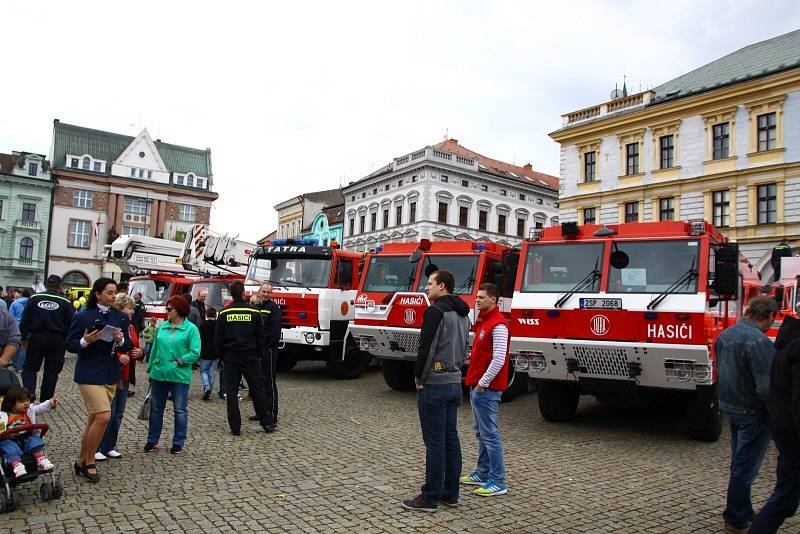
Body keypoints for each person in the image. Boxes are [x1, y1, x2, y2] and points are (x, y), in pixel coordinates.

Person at [402, 270, 471, 512]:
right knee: (451, 440)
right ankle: (450, 493)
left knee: (435, 443)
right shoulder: (464, 313)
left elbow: (426, 347)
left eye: (430, 283)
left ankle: (430, 497)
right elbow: (465, 349)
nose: (426, 287)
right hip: (454, 382)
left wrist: (419, 377)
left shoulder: (435, 311)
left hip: (434, 384)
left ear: (442, 286)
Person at [716, 296, 779, 533]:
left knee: (740, 463)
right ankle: (735, 519)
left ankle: (743, 508)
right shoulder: (759, 341)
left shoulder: (726, 335)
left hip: (730, 407)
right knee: (746, 468)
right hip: (753, 413)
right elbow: (766, 385)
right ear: (770, 316)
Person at [65, 277, 132, 483]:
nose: (113, 296)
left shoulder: (120, 317)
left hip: (110, 372)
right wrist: (86, 340)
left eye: (114, 293)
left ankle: (80, 460)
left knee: (94, 419)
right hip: (88, 371)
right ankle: (90, 461)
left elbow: (128, 343)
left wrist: (121, 341)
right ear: (98, 294)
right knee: (104, 416)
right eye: (109, 292)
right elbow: (70, 343)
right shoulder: (84, 315)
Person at [750, 313, 800, 532]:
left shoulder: (786, 343)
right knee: (784, 500)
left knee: (786, 499)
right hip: (792, 435)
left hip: (782, 428)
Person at [461, 283, 509, 497]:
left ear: (493, 300)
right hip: (478, 387)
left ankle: (498, 480)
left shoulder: (498, 325)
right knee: (481, 433)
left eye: (481, 297)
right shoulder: (485, 322)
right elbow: (483, 354)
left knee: (489, 434)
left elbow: (499, 358)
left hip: (485, 389)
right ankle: (483, 472)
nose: (477, 300)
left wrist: (483, 383)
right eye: (477, 296)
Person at [216, 281, 274, 435]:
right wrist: (259, 355)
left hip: (230, 358)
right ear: (244, 293)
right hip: (250, 357)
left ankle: (235, 427)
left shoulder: (223, 313)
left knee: (231, 392)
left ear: (231, 295)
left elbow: (218, 340)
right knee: (257, 389)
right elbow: (261, 338)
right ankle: (267, 423)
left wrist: (222, 357)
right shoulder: (254, 312)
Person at [144, 295, 200, 455]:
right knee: (156, 409)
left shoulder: (191, 329)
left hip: (179, 376)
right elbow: (155, 347)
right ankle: (152, 440)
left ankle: (178, 442)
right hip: (159, 374)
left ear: (180, 310)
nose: (166, 311)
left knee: (180, 410)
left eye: (169, 309)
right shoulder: (162, 327)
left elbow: (195, 352)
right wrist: (150, 367)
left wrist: (180, 361)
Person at [95, 294, 143, 461]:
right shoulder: (112, 324)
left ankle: (110, 445)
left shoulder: (131, 326)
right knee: (108, 412)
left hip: (126, 374)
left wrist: (139, 353)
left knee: (119, 413)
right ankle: (98, 446)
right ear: (120, 308)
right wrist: (118, 357)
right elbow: (101, 349)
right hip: (111, 374)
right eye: (129, 308)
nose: (132, 311)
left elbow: (134, 345)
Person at [19, 274, 75, 402]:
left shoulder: (35, 298)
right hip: (57, 339)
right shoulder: (66, 301)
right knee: (52, 370)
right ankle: (46, 399)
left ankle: (29, 393)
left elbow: (25, 319)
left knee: (30, 367)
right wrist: (66, 341)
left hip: (37, 337)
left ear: (47, 284)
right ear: (60, 286)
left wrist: (23, 337)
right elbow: (70, 324)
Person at [0, 386, 58, 477]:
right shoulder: (3, 415)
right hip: (9, 440)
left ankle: (41, 459)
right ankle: (17, 465)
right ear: (11, 403)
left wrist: (49, 403)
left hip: (26, 437)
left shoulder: (29, 410)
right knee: (9, 447)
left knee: (34, 440)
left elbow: (40, 407)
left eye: (27, 400)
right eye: (22, 402)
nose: (26, 403)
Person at [249, 283, 282, 424]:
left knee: (269, 381)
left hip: (268, 351)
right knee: (258, 383)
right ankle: (261, 411)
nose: (266, 294)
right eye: (264, 291)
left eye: (269, 292)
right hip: (256, 350)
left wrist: (268, 347)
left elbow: (275, 330)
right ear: (259, 292)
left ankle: (272, 413)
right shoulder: (255, 306)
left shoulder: (273, 308)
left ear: (272, 294)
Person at [199, 307, 219, 400]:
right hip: (216, 352)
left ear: (206, 314)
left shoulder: (202, 325)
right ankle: (209, 390)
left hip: (205, 351)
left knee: (204, 371)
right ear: (215, 315)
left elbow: (199, 340)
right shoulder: (219, 325)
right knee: (212, 372)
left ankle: (206, 387)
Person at [8, 289, 30, 371]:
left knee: (14, 345)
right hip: (27, 327)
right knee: (24, 347)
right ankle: (20, 367)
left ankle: (14, 364)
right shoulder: (31, 303)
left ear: (21, 295)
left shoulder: (15, 303)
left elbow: (10, 316)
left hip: (15, 326)